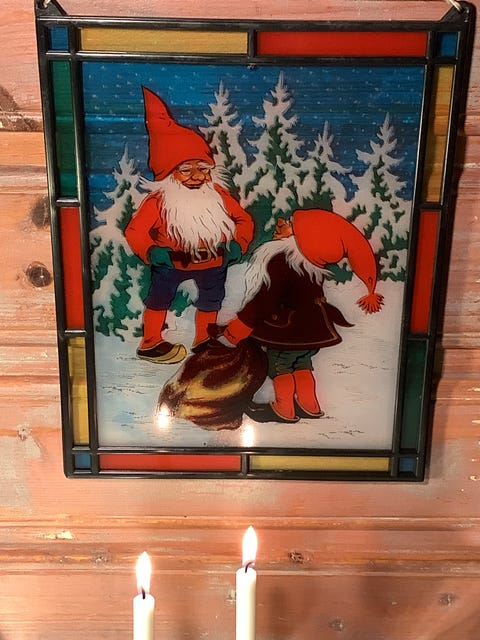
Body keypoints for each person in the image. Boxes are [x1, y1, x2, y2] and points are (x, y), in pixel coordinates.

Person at [213, 209, 384, 423]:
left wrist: (238, 327)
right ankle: (309, 405)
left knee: (280, 366)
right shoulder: (310, 268)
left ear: (304, 238)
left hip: (288, 332)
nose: (282, 223)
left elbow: (265, 301)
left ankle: (284, 408)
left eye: (291, 224)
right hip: (312, 332)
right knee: (302, 364)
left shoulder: (282, 262)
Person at [125, 87, 254, 364]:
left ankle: (204, 339)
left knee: (212, 299)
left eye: (203, 168)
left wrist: (238, 245)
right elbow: (135, 231)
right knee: (159, 298)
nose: (196, 176)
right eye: (186, 170)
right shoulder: (159, 202)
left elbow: (244, 220)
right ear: (170, 174)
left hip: (214, 260)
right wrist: (151, 252)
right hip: (171, 262)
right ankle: (150, 341)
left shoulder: (218, 195)